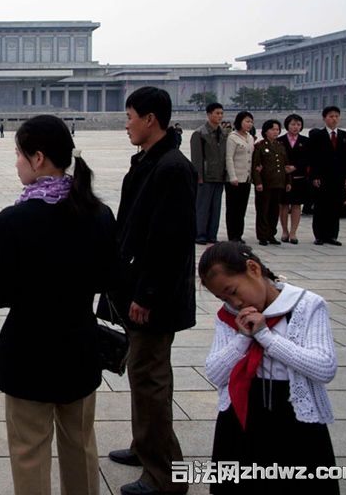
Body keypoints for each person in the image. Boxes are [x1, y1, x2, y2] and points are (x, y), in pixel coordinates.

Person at [0, 114, 118, 495]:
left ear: (38, 158)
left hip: (28, 350)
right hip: (79, 345)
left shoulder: (14, 220)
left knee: (29, 449)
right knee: (80, 443)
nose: (16, 163)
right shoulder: (98, 212)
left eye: (18, 155)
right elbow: (110, 279)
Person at [200, 241, 339, 495]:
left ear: (253, 269)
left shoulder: (306, 305)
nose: (235, 302)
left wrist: (267, 337)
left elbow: (324, 367)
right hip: (241, 413)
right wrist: (243, 339)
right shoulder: (229, 316)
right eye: (224, 297)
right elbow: (215, 373)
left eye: (233, 290)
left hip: (293, 417)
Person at [110, 86, 196, 495]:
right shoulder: (150, 161)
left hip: (155, 296)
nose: (126, 123)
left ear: (150, 119)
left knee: (150, 378)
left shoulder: (172, 168)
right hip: (140, 287)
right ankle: (144, 446)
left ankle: (165, 475)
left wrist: (146, 295)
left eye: (130, 116)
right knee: (143, 374)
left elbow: (170, 242)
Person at [308, 106, 346, 245]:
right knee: (321, 206)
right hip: (322, 177)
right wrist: (314, 176)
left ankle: (332, 235)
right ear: (324, 118)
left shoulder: (345, 136)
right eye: (331, 116)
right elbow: (313, 158)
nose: (334, 119)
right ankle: (319, 235)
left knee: (335, 206)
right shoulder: (317, 136)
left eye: (336, 116)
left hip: (338, 177)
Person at [191, 102, 227, 244]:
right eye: (217, 113)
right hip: (205, 177)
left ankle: (212, 235)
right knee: (202, 207)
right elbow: (197, 158)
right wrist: (199, 176)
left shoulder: (223, 133)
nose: (220, 116)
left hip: (219, 176)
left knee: (216, 208)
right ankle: (200, 234)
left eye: (221, 113)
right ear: (209, 114)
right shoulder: (200, 133)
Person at [252, 119, 289, 245]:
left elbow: (285, 165)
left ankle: (271, 234)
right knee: (263, 210)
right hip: (265, 184)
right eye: (273, 129)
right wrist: (258, 182)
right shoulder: (260, 146)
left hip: (278, 182)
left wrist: (288, 182)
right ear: (265, 131)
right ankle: (262, 235)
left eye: (277, 129)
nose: (275, 132)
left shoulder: (280, 146)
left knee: (274, 211)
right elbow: (256, 166)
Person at [277, 114, 310, 244]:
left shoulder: (306, 141)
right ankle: (284, 231)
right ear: (287, 125)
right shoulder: (280, 141)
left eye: (298, 124)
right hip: (283, 178)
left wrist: (295, 167)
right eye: (293, 124)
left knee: (296, 205)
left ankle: (293, 232)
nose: (295, 127)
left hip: (299, 176)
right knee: (284, 204)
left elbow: (308, 158)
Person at [225, 111, 255, 243]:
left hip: (246, 178)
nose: (249, 124)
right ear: (239, 122)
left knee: (242, 208)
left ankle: (239, 234)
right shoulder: (232, 137)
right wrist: (232, 176)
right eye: (247, 121)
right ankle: (232, 235)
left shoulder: (250, 137)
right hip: (235, 179)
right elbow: (229, 158)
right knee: (233, 208)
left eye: (251, 122)